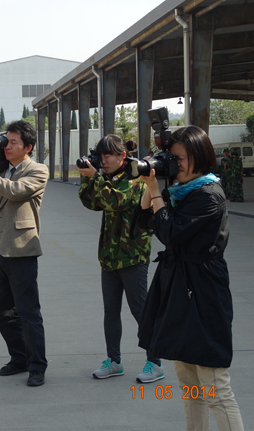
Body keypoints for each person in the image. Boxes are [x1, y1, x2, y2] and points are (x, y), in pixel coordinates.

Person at [138, 125, 244, 431]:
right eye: (170, 158)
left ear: (198, 157)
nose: (174, 164)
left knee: (214, 384)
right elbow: (145, 221)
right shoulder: (181, 190)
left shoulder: (208, 195)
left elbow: (169, 232)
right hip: (178, 285)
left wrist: (157, 191)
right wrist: (151, 184)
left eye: (179, 158)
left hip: (203, 289)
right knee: (189, 383)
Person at [0, 120, 49, 387]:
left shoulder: (37, 170)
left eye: (14, 142)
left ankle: (37, 365)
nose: (7, 146)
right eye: (6, 141)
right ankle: (19, 358)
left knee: (28, 312)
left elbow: (15, 192)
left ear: (29, 147)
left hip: (21, 250)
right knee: (4, 312)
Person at [77, 136, 163, 383]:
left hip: (132, 256)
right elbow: (90, 201)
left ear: (122, 156)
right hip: (110, 257)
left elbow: (114, 200)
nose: (103, 161)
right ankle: (114, 361)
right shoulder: (109, 178)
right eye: (101, 157)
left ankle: (155, 363)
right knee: (111, 312)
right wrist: (88, 176)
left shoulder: (137, 179)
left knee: (140, 312)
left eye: (108, 156)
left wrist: (95, 177)